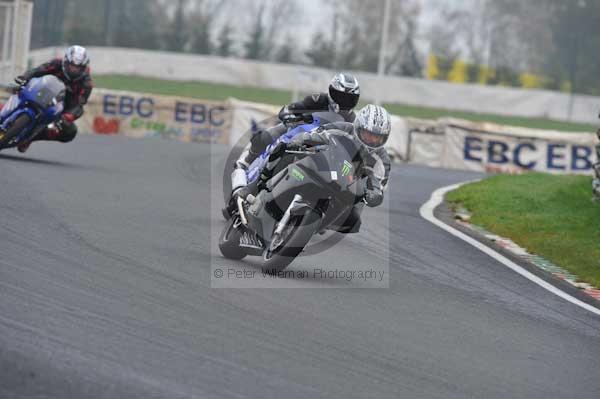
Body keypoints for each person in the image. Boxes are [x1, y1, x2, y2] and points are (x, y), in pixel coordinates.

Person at [239, 104, 392, 234]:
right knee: (285, 150)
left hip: (345, 188)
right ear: (359, 127)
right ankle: (256, 185)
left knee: (353, 222)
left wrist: (374, 195)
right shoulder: (344, 129)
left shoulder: (382, 160)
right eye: (368, 134)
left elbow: (378, 185)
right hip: (322, 167)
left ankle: (315, 225)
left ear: (384, 139)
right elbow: (318, 134)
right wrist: (303, 141)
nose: (372, 140)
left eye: (377, 138)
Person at [230, 73, 361, 197]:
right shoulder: (318, 100)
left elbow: (351, 144)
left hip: (320, 146)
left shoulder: (352, 120)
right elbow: (289, 109)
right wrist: (292, 117)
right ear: (332, 92)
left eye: (350, 99)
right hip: (298, 132)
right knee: (265, 136)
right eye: (341, 96)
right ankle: (245, 164)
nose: (345, 101)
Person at [12, 45, 93, 153]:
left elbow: (79, 106)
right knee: (17, 90)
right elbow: (37, 70)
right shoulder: (56, 63)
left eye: (78, 68)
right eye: (71, 66)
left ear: (84, 67)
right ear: (66, 61)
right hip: (41, 92)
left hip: (61, 107)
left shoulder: (86, 83)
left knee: (70, 132)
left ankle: (30, 138)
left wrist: (67, 118)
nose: (74, 70)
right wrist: (25, 77)